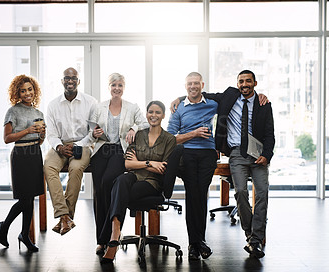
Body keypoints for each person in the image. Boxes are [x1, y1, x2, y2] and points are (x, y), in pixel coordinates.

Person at [203, 70, 275, 258]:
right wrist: (179, 99)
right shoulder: (229, 96)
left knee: (262, 194)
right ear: (237, 84)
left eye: (248, 81)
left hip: (258, 155)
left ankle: (256, 239)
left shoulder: (264, 104)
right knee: (240, 192)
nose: (244, 84)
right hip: (236, 154)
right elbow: (203, 95)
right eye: (241, 81)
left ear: (255, 83)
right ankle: (250, 233)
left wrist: (267, 155)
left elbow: (269, 133)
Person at [99, 101, 177, 264]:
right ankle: (115, 231)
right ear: (146, 114)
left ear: (163, 115)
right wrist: (150, 163)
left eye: (157, 112)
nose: (153, 115)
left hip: (153, 183)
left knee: (119, 191)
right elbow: (127, 164)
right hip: (134, 176)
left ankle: (112, 239)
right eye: (150, 112)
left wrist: (140, 162)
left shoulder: (169, 139)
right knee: (120, 180)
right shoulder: (139, 134)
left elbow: (163, 169)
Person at [88, 73, 149, 255]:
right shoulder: (99, 107)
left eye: (120, 85)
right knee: (99, 192)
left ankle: (113, 233)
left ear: (124, 87)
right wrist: (95, 133)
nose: (117, 88)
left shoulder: (132, 107)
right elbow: (90, 130)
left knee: (108, 183)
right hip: (101, 150)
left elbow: (145, 124)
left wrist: (133, 128)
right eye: (114, 85)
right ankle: (101, 240)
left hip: (119, 151)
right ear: (109, 87)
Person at [167, 72, 218, 261]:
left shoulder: (212, 104)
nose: (193, 86)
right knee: (193, 194)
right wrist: (194, 133)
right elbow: (170, 138)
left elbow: (230, 98)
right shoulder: (179, 108)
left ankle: (196, 244)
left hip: (207, 153)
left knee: (199, 194)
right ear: (185, 85)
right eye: (190, 84)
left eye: (196, 83)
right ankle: (197, 243)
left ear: (202, 85)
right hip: (186, 153)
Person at [0, 74, 46, 252]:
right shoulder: (13, 111)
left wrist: (41, 135)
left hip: (35, 153)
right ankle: (5, 226)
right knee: (24, 199)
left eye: (30, 89)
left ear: (34, 91)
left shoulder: (38, 113)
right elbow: (7, 138)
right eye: (23, 90)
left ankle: (24, 234)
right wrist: (27, 130)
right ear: (18, 92)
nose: (27, 93)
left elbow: (39, 140)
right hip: (20, 154)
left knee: (30, 198)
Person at [44, 67, 97, 236]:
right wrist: (59, 147)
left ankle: (65, 217)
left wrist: (78, 145)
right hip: (59, 145)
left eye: (74, 78)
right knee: (49, 166)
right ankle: (64, 215)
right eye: (67, 78)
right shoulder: (52, 105)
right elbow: (51, 134)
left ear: (78, 81)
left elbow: (92, 132)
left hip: (83, 145)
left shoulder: (91, 102)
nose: (70, 81)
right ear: (62, 81)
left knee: (75, 169)